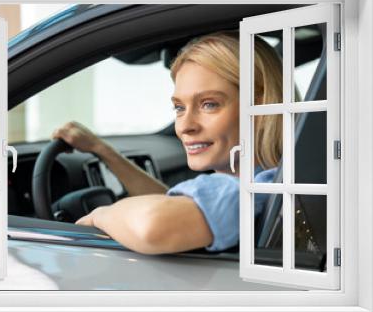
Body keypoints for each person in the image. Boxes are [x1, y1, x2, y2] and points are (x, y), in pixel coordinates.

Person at [52, 31, 282, 255]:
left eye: (209, 104)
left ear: (260, 109)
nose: (184, 126)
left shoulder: (254, 188)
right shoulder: (271, 179)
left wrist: (100, 216)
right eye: (180, 108)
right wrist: (101, 150)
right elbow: (175, 206)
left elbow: (153, 225)